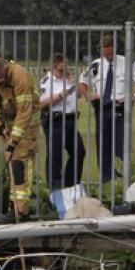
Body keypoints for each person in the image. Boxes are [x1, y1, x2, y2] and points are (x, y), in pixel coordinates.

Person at [78, 36, 135, 183]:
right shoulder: (95, 65)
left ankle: (123, 176)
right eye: (106, 54)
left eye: (111, 54)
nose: (109, 57)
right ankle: (106, 177)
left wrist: (134, 95)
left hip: (121, 108)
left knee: (121, 143)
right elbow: (82, 82)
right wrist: (89, 95)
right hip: (102, 108)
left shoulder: (128, 62)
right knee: (103, 143)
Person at [0, 57, 41, 224]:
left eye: (1, 80)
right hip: (9, 118)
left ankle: (20, 211)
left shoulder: (20, 77)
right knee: (14, 163)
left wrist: (12, 144)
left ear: (6, 70)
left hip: (28, 120)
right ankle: (15, 206)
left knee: (19, 162)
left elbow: (24, 113)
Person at [39, 54, 85, 190]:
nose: (63, 72)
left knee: (79, 152)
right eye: (60, 70)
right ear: (53, 68)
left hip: (71, 120)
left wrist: (72, 82)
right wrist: (60, 95)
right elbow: (41, 103)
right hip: (56, 121)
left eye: (65, 69)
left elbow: (79, 95)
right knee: (55, 156)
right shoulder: (47, 82)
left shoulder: (67, 79)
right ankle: (55, 189)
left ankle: (70, 185)